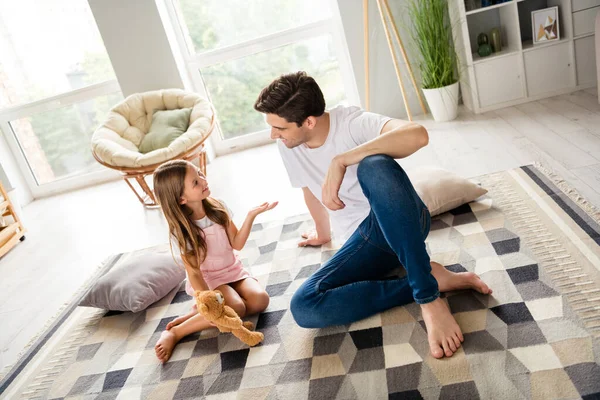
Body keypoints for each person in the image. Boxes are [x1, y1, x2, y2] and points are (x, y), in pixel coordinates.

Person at [254, 71, 492, 359]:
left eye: (279, 128)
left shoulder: (351, 123)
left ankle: (428, 297)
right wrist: (323, 232)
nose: (273, 134)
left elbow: (418, 134)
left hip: (403, 218)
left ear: (309, 121)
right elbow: (309, 187)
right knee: (304, 306)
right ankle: (430, 278)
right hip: (366, 242)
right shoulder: (289, 144)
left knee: (374, 165)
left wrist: (343, 159)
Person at [152, 160, 276, 363]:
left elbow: (236, 244)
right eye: (195, 182)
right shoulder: (182, 230)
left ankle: (198, 314)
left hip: (232, 270)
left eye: (200, 174)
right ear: (181, 199)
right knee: (236, 308)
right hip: (210, 280)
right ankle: (177, 332)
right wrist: (206, 298)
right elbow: (194, 273)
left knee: (260, 300)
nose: (203, 180)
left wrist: (251, 216)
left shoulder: (218, 207)